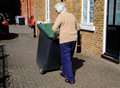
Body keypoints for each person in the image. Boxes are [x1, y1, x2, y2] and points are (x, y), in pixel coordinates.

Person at [52, 2, 80, 84]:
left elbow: (54, 28)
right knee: (68, 58)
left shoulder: (61, 16)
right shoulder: (72, 15)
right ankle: (64, 72)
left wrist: (59, 32)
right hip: (73, 40)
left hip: (65, 41)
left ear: (59, 9)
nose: (56, 12)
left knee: (66, 59)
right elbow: (78, 28)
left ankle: (70, 79)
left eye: (56, 10)